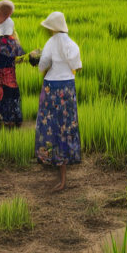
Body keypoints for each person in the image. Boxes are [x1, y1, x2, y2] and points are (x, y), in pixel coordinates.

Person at [35, 12, 82, 192]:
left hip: (51, 88)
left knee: (50, 124)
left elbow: (43, 64)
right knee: (66, 125)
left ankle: (52, 158)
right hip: (67, 87)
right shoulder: (72, 44)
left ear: (53, 28)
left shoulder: (50, 43)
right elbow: (76, 66)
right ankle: (64, 162)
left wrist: (43, 68)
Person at [0, 0, 25, 128]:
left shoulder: (9, 32)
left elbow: (14, 50)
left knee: (7, 92)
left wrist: (22, 56)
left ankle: (9, 119)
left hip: (6, 70)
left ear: (7, 15)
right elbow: (15, 51)